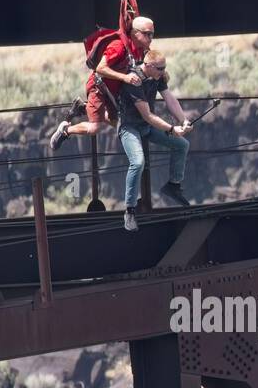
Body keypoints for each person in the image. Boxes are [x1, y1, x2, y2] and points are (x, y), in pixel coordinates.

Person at [49, 15, 154, 149]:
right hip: (98, 87)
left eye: (152, 34)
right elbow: (100, 68)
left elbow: (152, 63)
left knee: (117, 122)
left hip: (113, 90)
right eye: (148, 34)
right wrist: (125, 78)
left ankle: (84, 108)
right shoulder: (118, 47)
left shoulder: (141, 49)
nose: (151, 38)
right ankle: (65, 130)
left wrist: (161, 72)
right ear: (135, 33)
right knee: (94, 128)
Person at [118, 48, 192, 231]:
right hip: (130, 127)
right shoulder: (134, 79)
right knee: (138, 162)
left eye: (165, 67)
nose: (163, 71)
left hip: (147, 127)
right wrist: (171, 129)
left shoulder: (157, 77)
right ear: (148, 66)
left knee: (182, 145)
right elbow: (148, 116)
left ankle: (173, 185)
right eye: (160, 68)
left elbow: (170, 100)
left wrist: (184, 120)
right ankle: (129, 211)